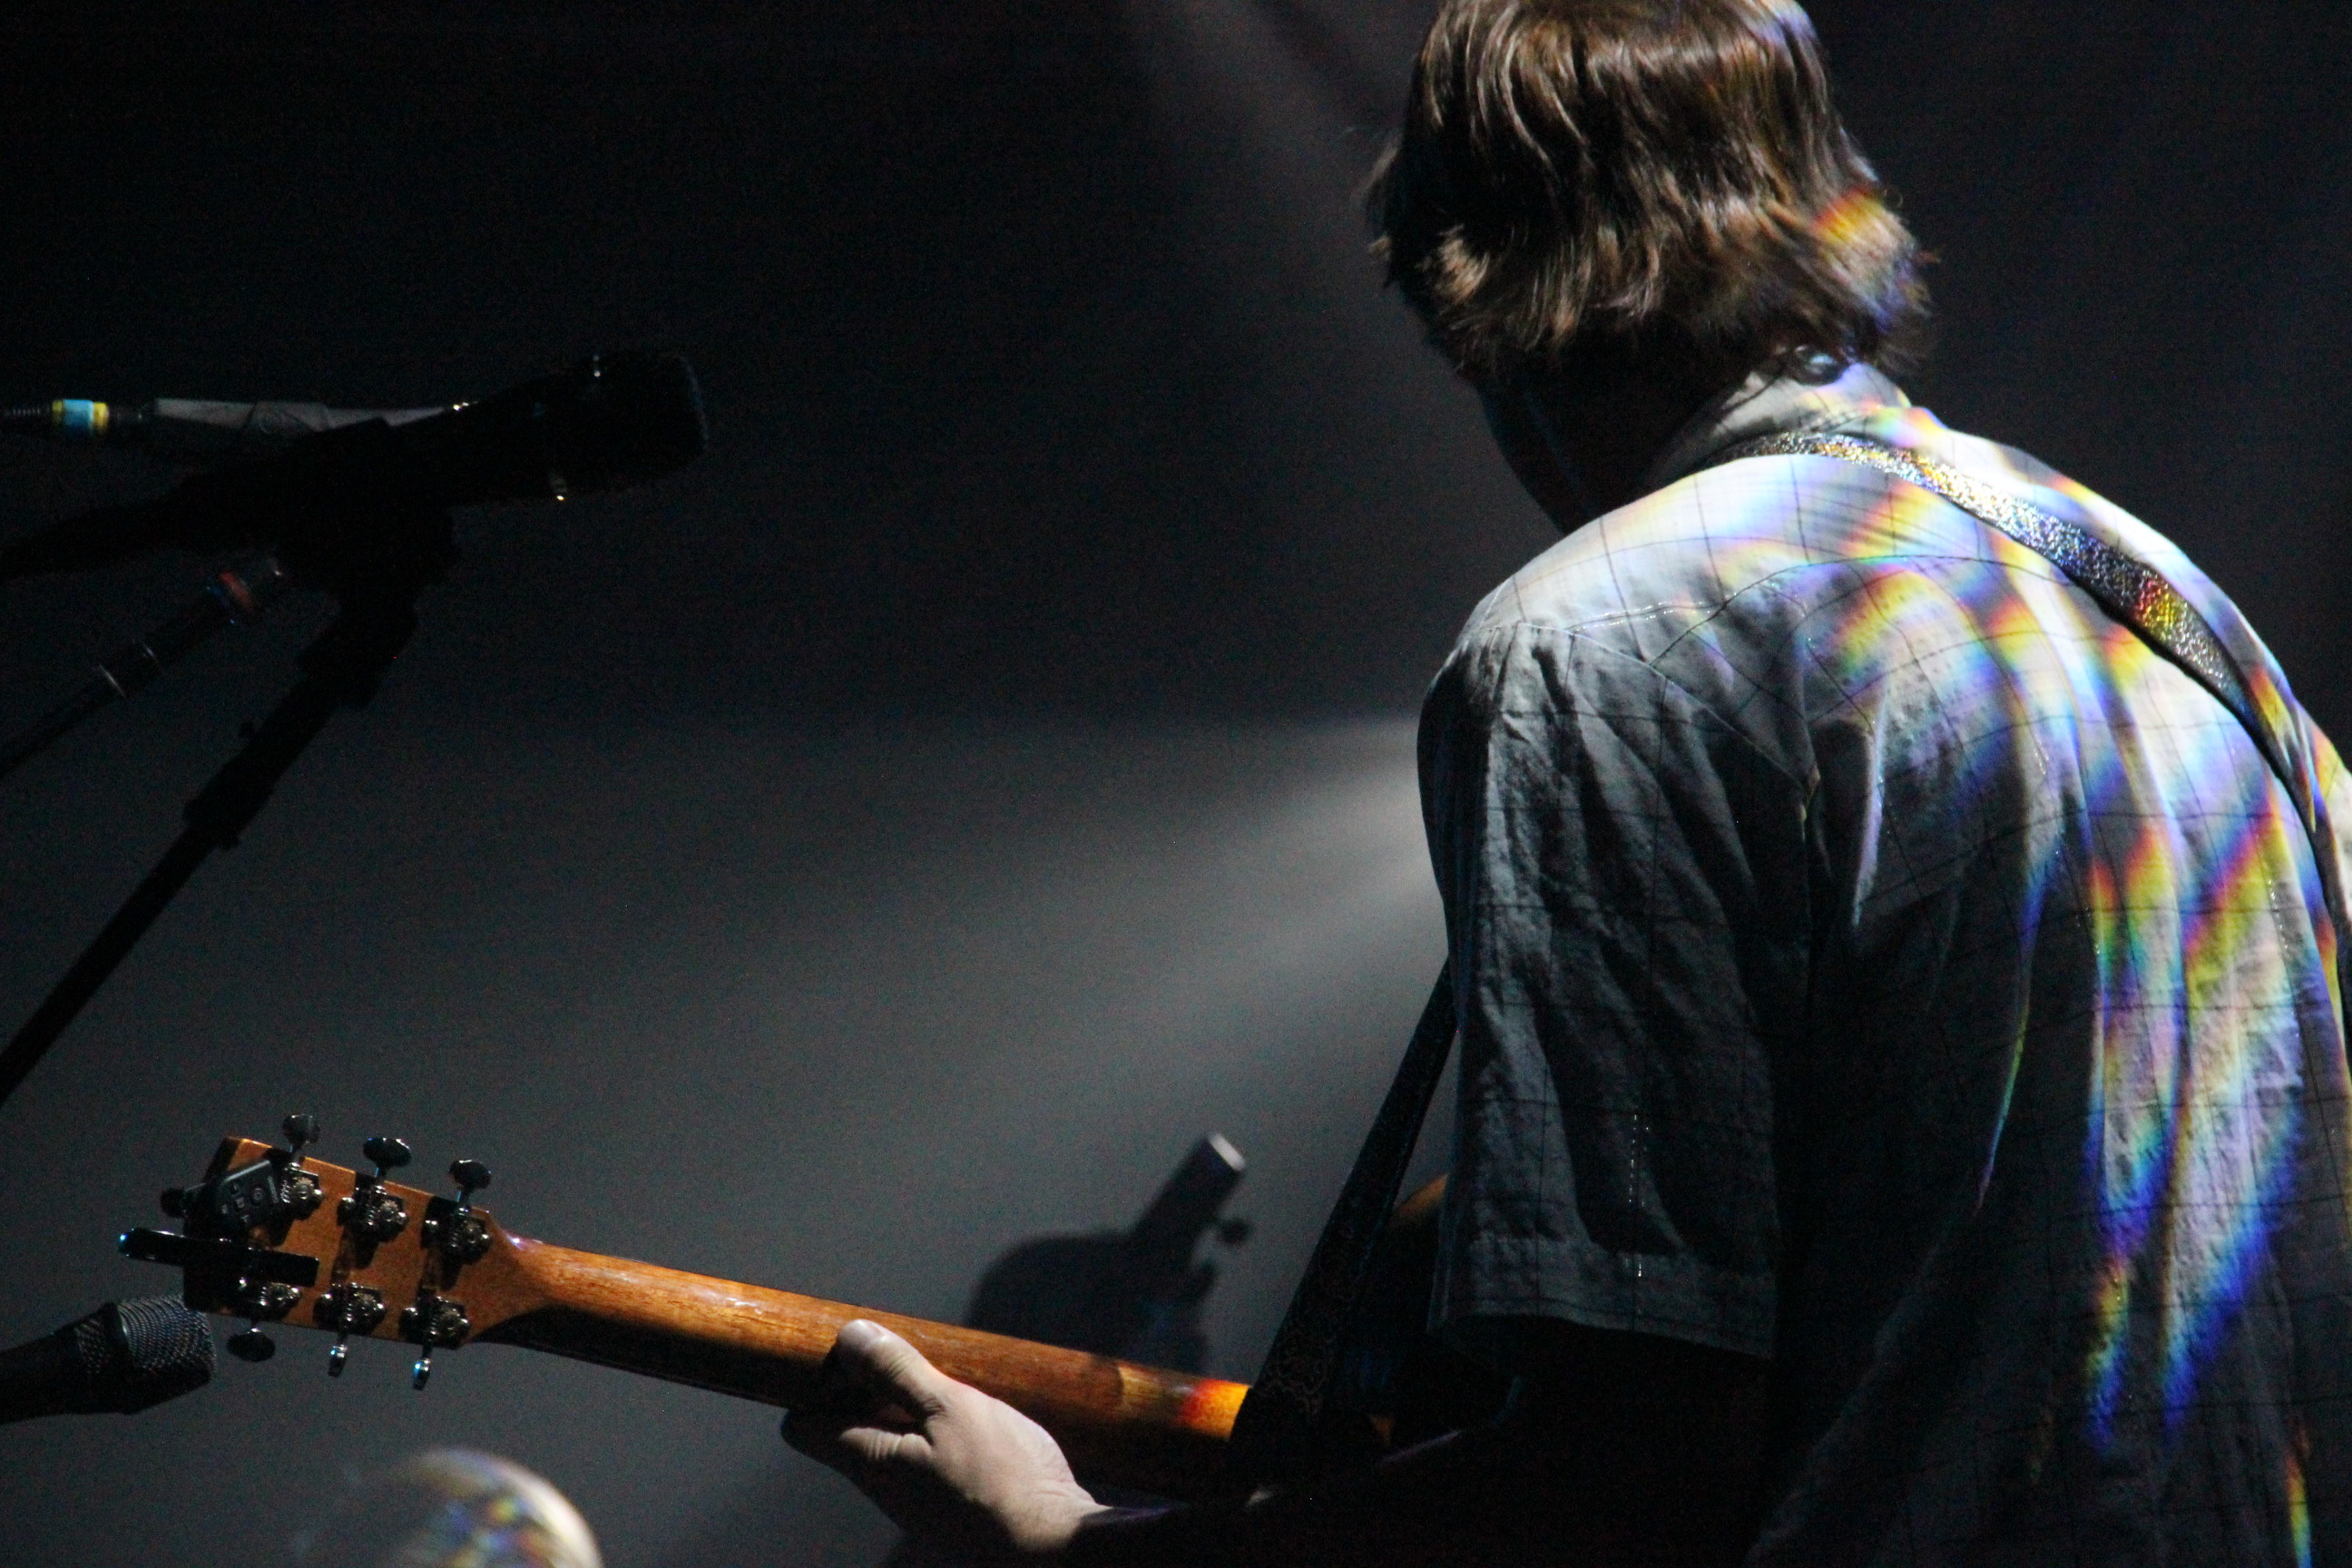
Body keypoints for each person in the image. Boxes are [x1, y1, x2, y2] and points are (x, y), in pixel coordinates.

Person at [782, 2, 2352, 1563]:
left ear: (1471, 292)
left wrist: (1065, 1543)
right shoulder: (2167, 601)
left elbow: (1624, 1484)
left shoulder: (1603, 642)